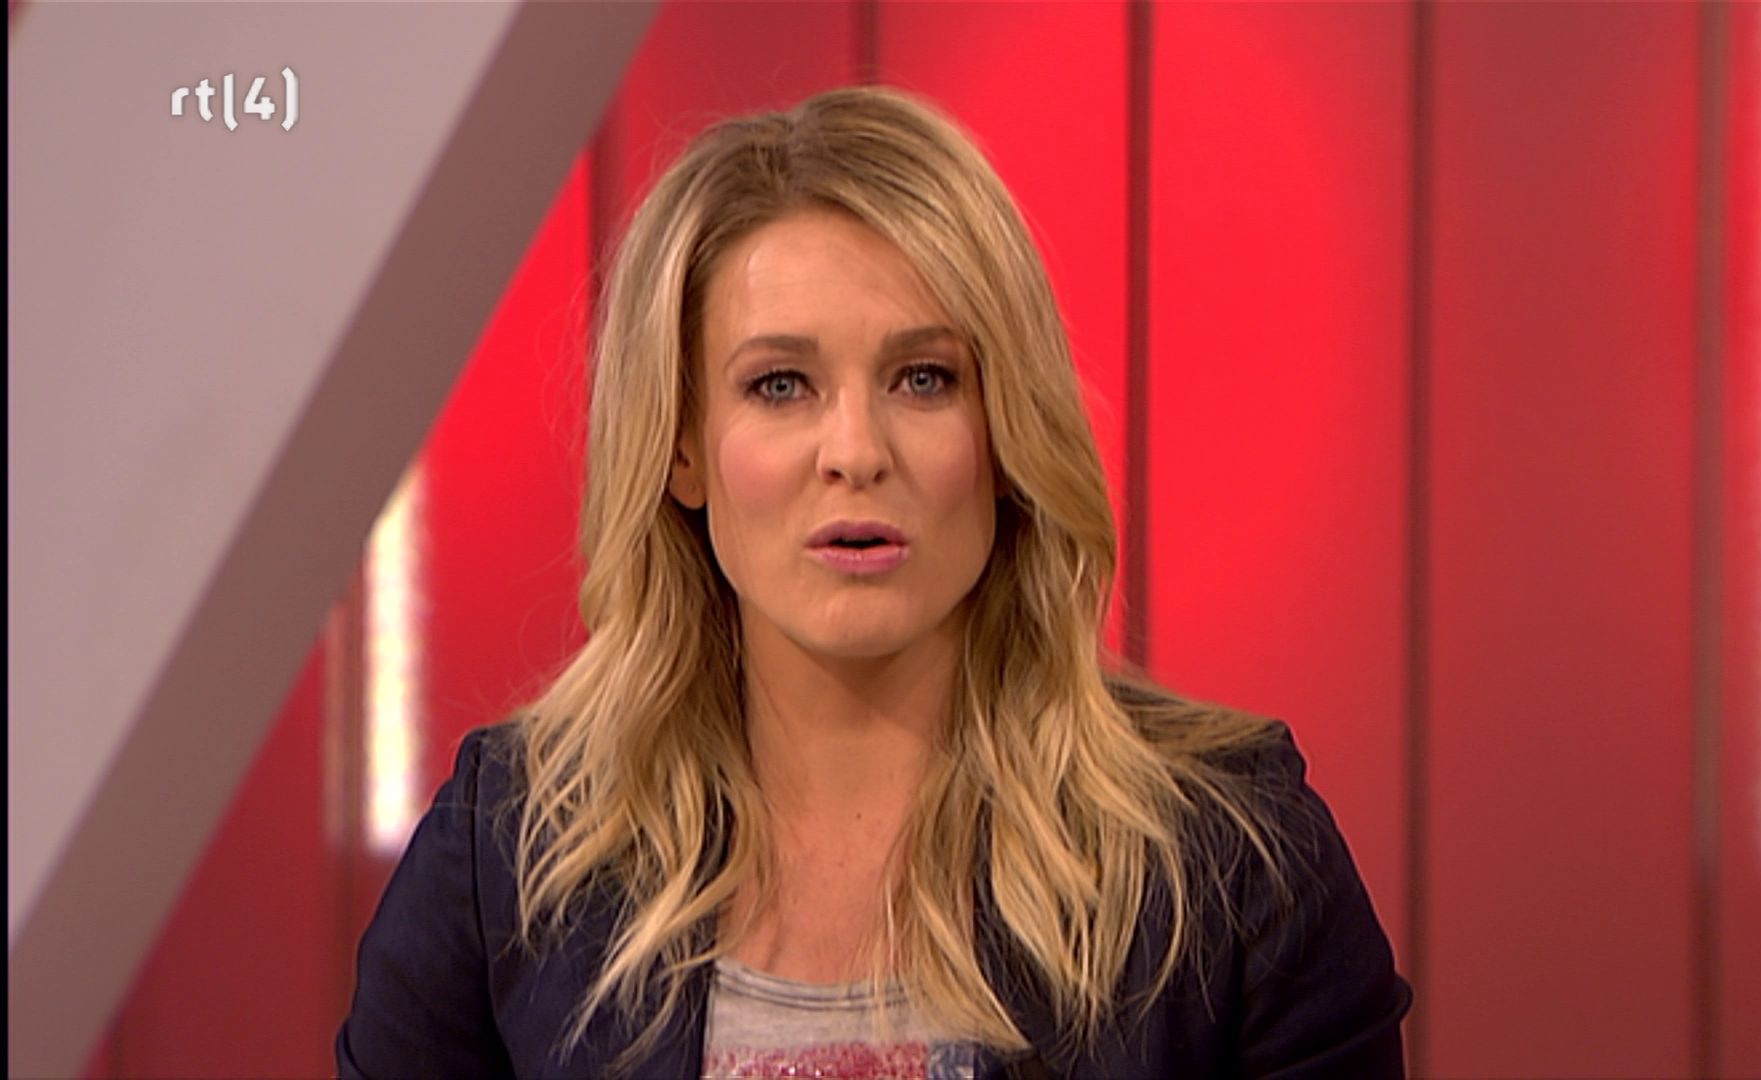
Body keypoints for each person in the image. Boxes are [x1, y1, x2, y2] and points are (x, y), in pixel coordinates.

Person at [337, 85, 1411, 1080]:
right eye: (780, 385)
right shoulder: (505, 862)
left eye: (923, 378)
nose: (855, 451)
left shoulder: (1233, 864)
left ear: (1002, 434)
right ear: (682, 448)